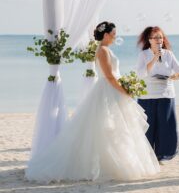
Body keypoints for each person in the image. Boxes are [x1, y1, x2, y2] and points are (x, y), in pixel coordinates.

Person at [25, 21, 160, 183]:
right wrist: (125, 90)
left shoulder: (106, 50)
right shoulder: (102, 51)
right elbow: (109, 76)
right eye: (113, 34)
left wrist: (125, 85)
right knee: (104, 128)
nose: (115, 37)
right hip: (107, 90)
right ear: (106, 35)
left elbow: (113, 75)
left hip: (113, 90)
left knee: (116, 129)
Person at [136, 26, 179, 164]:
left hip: (166, 94)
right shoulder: (143, 55)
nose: (159, 40)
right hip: (147, 95)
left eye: (161, 37)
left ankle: (161, 155)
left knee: (165, 127)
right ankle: (147, 156)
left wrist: (176, 76)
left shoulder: (168, 54)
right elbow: (140, 74)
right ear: (149, 40)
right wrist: (154, 58)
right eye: (156, 37)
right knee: (148, 127)